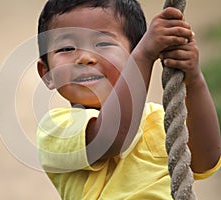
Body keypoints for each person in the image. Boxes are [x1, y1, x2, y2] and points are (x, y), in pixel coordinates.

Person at [36, 0, 221, 199]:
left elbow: (205, 160)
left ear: (131, 56)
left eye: (103, 43)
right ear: (46, 73)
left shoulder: (161, 118)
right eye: (66, 48)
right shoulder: (55, 129)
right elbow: (110, 138)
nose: (85, 58)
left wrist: (194, 80)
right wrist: (144, 54)